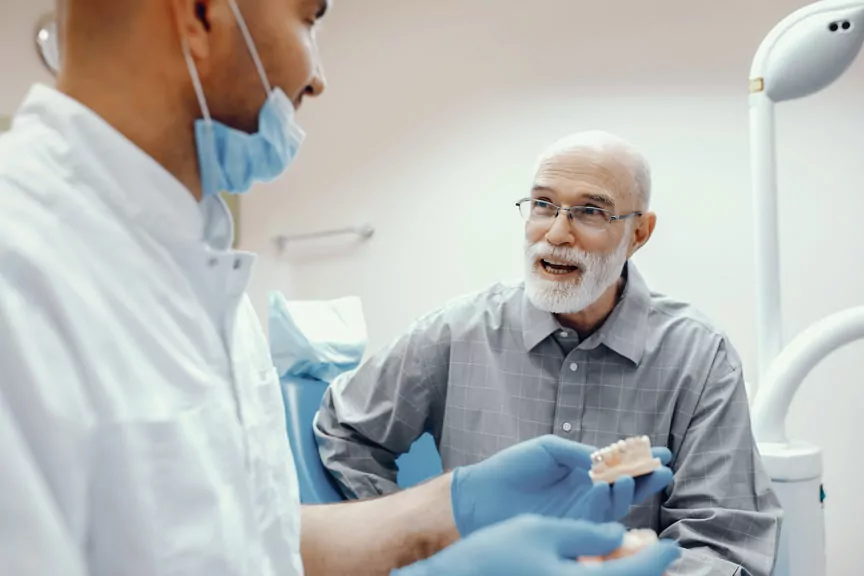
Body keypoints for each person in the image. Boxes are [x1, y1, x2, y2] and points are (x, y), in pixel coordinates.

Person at [0, 1, 683, 575]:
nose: (317, 77)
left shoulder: (200, 269)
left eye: (590, 211)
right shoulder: (23, 274)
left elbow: (252, 543)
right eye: (309, 17)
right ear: (203, 12)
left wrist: (449, 508)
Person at [315, 130, 783, 576]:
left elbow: (721, 541)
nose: (557, 234)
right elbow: (345, 430)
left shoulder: (700, 358)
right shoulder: (457, 332)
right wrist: (414, 547)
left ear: (638, 233)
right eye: (543, 205)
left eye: (590, 211)